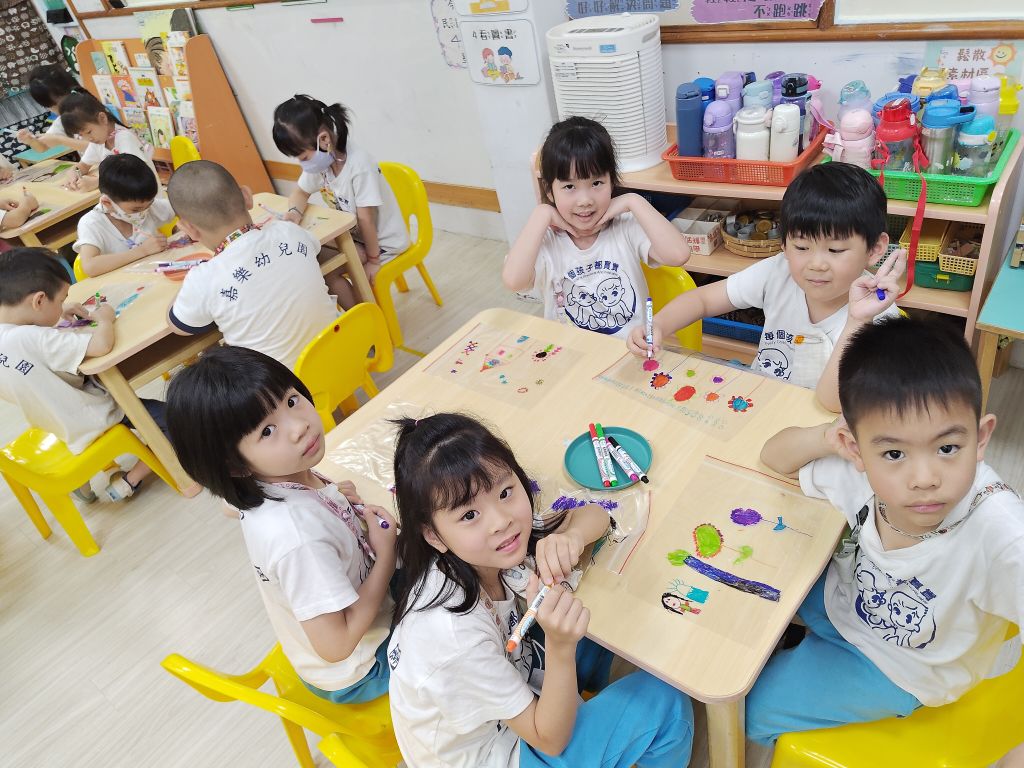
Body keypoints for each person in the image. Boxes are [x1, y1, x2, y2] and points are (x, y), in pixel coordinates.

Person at [748, 316, 1024, 743]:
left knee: (748, 712)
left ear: (981, 437)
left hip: (903, 670)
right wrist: (827, 436)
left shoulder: (1001, 531)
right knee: (754, 583)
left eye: (948, 447)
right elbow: (773, 456)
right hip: (846, 601)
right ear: (855, 449)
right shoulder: (861, 469)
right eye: (895, 453)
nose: (924, 479)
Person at [387, 412, 694, 768]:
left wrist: (571, 537)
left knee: (602, 628)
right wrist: (560, 648)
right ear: (433, 535)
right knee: (667, 704)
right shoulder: (454, 638)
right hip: (502, 752)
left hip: (516, 694)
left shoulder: (485, 546)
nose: (501, 520)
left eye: (506, 492)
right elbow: (548, 738)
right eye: (469, 515)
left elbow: (596, 516)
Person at [165, 345, 397, 703]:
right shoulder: (299, 539)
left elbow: (229, 506)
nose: (299, 426)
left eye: (291, 401)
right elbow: (336, 646)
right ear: (234, 465)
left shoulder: (271, 480)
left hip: (339, 627)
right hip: (362, 667)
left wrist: (332, 496)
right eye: (267, 431)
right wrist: (386, 555)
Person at [626, 162, 905, 411]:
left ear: (875, 249)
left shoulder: (880, 319)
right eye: (801, 247)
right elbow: (703, 300)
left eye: (835, 250)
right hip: (759, 401)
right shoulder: (778, 271)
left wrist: (858, 321)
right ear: (783, 243)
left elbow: (834, 405)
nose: (817, 264)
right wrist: (658, 325)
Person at [503, 116, 690, 340]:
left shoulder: (625, 226)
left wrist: (633, 201)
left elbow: (678, 254)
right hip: (572, 352)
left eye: (596, 183)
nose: (585, 200)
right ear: (550, 190)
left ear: (612, 181)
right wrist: (541, 213)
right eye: (569, 186)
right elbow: (514, 281)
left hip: (630, 350)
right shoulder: (547, 240)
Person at [0, 248, 163, 501]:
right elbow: (101, 346)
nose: (62, 307)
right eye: (60, 301)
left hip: (54, 424)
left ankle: (82, 481)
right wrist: (105, 319)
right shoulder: (31, 338)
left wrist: (54, 316)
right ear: (39, 301)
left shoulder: (11, 334)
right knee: (176, 420)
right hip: (92, 417)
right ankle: (129, 480)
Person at [166, 160, 339, 370]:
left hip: (283, 387)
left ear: (188, 229)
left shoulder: (204, 279)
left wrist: (187, 285)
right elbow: (314, 249)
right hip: (342, 355)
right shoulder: (289, 231)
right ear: (247, 196)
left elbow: (179, 326)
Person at [272, 94, 409, 307]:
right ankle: (361, 314)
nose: (302, 164)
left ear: (324, 140)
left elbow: (366, 219)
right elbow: (300, 193)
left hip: (382, 244)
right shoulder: (324, 161)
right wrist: (294, 214)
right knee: (312, 258)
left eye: (303, 158)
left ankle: (368, 320)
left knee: (328, 272)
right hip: (355, 237)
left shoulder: (359, 166)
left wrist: (373, 261)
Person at [73, 154, 176, 276]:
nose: (144, 212)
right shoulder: (91, 223)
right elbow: (90, 266)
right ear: (107, 203)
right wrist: (142, 251)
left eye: (149, 204)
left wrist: (183, 224)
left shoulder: (147, 207)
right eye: (136, 209)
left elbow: (185, 206)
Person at [59, 91, 157, 192]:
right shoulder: (99, 141)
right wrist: (73, 172)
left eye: (89, 132)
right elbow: (83, 165)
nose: (88, 139)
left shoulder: (125, 138)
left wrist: (98, 182)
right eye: (81, 135)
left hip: (143, 197)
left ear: (102, 118)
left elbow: (133, 175)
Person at [16, 64, 91, 154]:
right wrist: (31, 141)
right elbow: (43, 147)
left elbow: (97, 147)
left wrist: (61, 140)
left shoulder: (93, 110)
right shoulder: (62, 122)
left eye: (61, 102)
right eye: (51, 106)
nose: (63, 109)